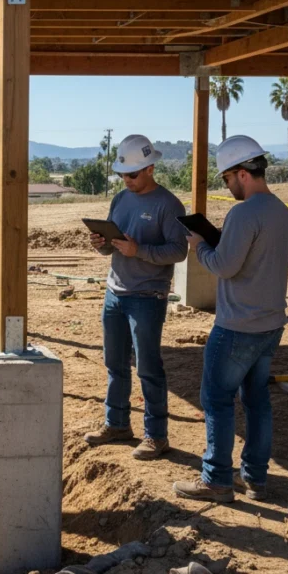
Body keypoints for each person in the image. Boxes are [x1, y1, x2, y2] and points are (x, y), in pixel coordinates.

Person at [174, 135, 288, 503]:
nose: (227, 187)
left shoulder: (243, 213)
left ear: (242, 173)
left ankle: (216, 480)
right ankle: (255, 478)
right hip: (270, 324)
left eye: (226, 179)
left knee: (216, 399)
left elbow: (224, 267)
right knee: (257, 400)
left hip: (237, 327)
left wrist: (201, 246)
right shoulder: (281, 211)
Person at [84, 134, 188, 460]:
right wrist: (101, 243)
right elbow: (111, 245)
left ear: (150, 168)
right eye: (122, 175)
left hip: (147, 296)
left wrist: (137, 250)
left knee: (148, 367)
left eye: (131, 175)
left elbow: (179, 251)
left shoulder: (169, 206)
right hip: (115, 292)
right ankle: (116, 424)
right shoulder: (120, 199)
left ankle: (156, 436)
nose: (126, 180)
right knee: (115, 364)